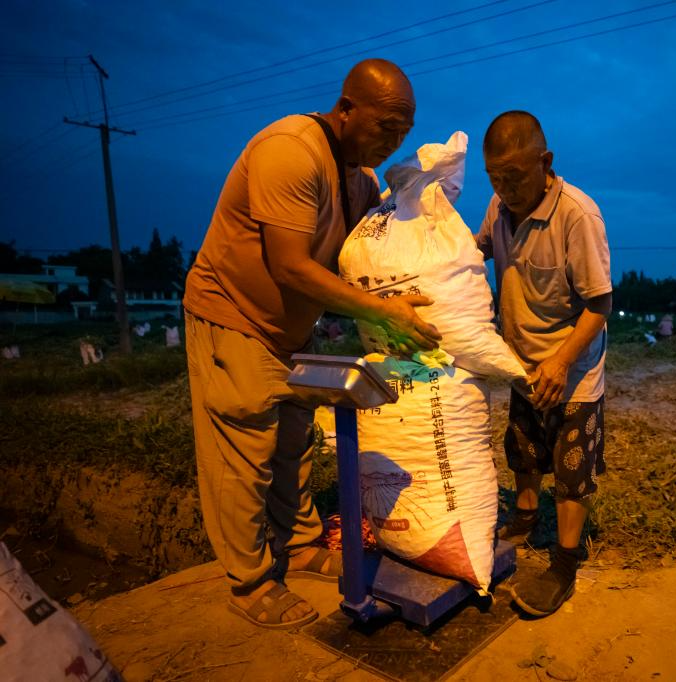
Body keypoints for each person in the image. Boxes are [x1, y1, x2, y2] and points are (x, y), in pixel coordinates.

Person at [183, 59, 441, 629]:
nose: (394, 141)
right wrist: (382, 311)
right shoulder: (290, 151)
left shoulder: (361, 178)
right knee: (245, 447)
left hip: (291, 332)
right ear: (346, 109)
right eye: (386, 126)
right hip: (234, 315)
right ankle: (250, 582)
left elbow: (360, 258)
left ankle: (298, 546)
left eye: (403, 131)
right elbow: (291, 266)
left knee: (294, 443)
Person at [476, 111, 612, 617]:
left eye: (514, 177)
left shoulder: (578, 216)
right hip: (522, 363)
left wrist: (560, 361)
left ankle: (564, 562)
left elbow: (600, 304)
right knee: (525, 449)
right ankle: (526, 516)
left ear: (545, 161)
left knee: (572, 466)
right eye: (495, 178)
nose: (504, 189)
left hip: (571, 368)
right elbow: (474, 253)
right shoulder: (498, 207)